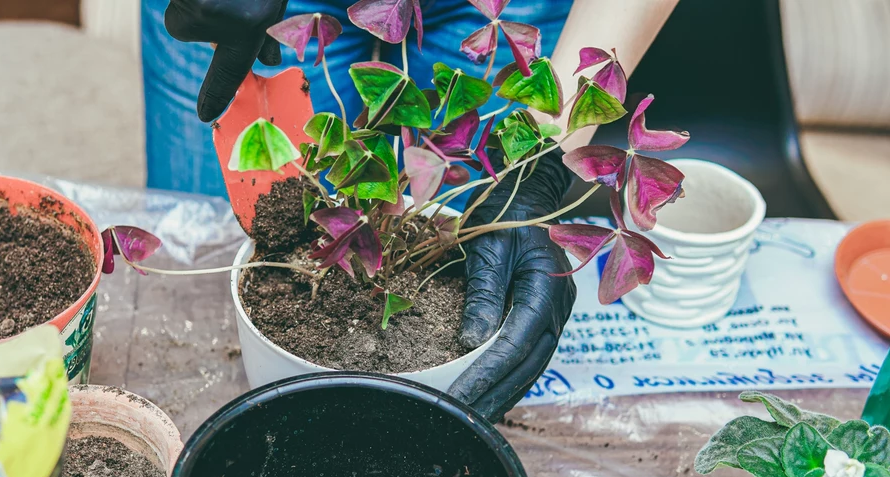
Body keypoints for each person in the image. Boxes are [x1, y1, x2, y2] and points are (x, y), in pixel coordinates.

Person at [142, 0, 678, 421]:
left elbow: (522, 165)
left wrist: (542, 163)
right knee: (213, 233)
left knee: (472, 204)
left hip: (488, 8)